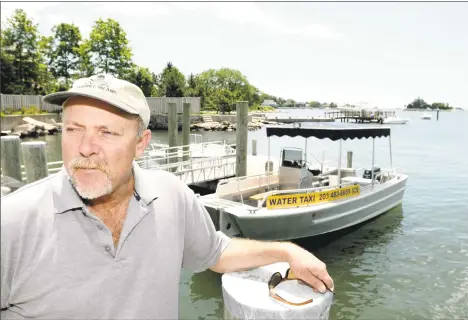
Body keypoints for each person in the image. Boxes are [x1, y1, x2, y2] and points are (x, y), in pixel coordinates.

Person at [1, 74, 333, 319]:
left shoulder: (171, 194)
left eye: (107, 132)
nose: (85, 147)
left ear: (141, 144)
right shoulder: (12, 223)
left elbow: (216, 251)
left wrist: (287, 251)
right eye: (73, 129)